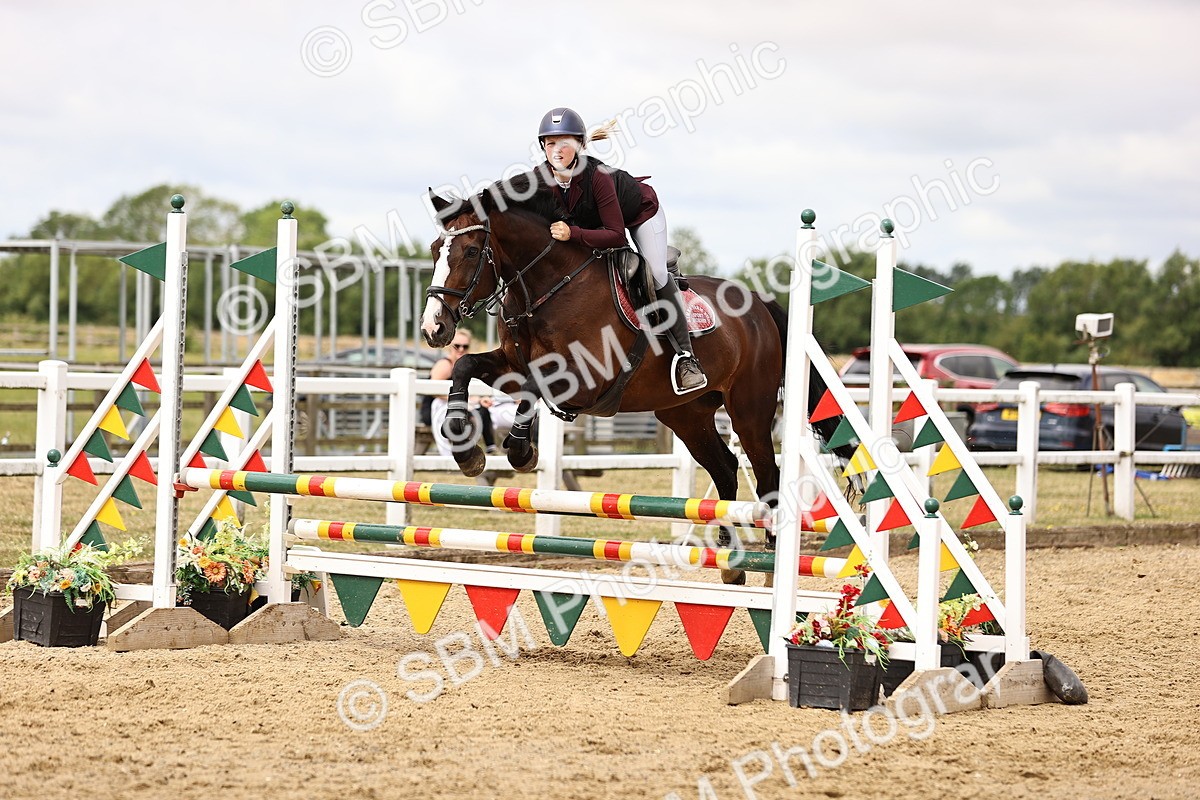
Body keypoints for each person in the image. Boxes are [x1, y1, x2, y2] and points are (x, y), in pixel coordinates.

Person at [536, 106, 707, 394]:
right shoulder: (540, 178)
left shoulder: (598, 176)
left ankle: (686, 358)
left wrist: (573, 233)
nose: (557, 150)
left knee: (655, 272)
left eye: (564, 143)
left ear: (579, 145)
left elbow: (616, 236)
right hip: (597, 223)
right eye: (550, 143)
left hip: (640, 215)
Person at [428, 330, 498, 457]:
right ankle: (458, 455)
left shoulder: (466, 367)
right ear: (450, 346)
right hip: (437, 407)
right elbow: (434, 392)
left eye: (465, 346)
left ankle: (487, 449)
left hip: (458, 406)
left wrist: (478, 400)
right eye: (457, 346)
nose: (461, 349)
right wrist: (468, 401)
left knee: (482, 411)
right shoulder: (445, 365)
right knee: (467, 415)